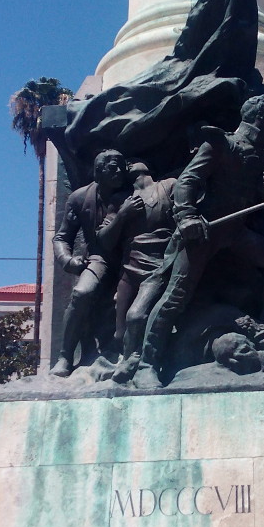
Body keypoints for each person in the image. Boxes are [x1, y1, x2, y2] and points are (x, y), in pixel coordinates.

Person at [133, 95, 264, 388]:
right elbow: (188, 181)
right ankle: (147, 364)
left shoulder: (262, 156)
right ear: (263, 116)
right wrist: (187, 217)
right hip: (206, 229)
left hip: (234, 231)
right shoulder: (221, 143)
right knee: (174, 297)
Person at [50, 149, 128, 377]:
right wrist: (68, 260)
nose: (119, 171)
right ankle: (65, 356)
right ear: (98, 171)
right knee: (82, 293)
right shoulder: (79, 198)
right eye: (112, 167)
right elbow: (62, 237)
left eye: (121, 166)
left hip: (131, 258)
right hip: (99, 258)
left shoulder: (132, 194)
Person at [96, 160, 176, 381]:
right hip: (130, 268)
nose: (128, 164)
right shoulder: (120, 199)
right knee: (120, 331)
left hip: (161, 264)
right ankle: (127, 360)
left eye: (132, 161)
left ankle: (143, 364)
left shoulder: (168, 185)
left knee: (137, 317)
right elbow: (104, 240)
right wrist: (123, 215)